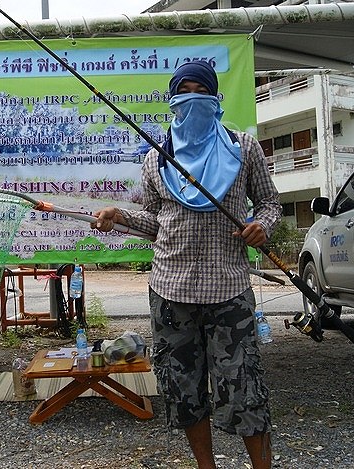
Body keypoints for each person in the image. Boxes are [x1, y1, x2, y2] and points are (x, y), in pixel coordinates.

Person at [92, 61, 281, 469]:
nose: (192, 97)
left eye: (201, 89)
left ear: (215, 98)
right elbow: (155, 221)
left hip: (228, 290)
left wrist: (259, 226)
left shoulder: (243, 148)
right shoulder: (156, 158)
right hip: (170, 292)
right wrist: (120, 217)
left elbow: (269, 204)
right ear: (173, 100)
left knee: (244, 388)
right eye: (184, 90)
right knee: (183, 391)